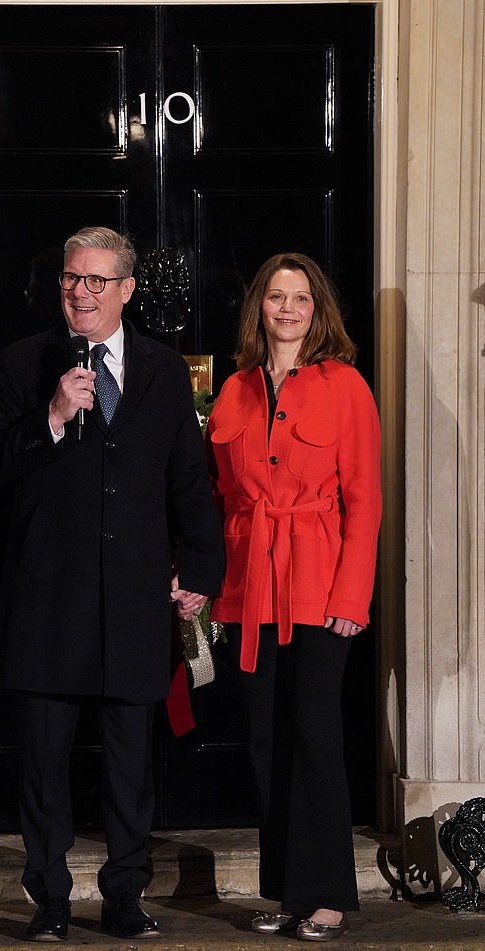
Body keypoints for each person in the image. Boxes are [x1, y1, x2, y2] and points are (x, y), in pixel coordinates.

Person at [0, 226, 224, 941]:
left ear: (126, 289)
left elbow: (188, 481)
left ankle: (124, 897)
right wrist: (50, 417)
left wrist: (201, 567)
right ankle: (49, 900)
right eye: (69, 279)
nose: (79, 292)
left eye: (94, 281)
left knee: (128, 767)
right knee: (44, 766)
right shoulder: (25, 364)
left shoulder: (165, 372)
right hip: (48, 601)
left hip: (134, 600)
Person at [207, 252, 382, 942]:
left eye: (300, 298)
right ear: (259, 308)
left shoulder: (346, 387)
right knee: (265, 740)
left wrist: (353, 594)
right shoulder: (234, 390)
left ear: (318, 309)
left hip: (319, 587)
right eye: (275, 297)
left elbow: (364, 501)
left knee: (314, 734)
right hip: (251, 589)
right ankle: (286, 889)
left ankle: (329, 892)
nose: (286, 309)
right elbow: (223, 499)